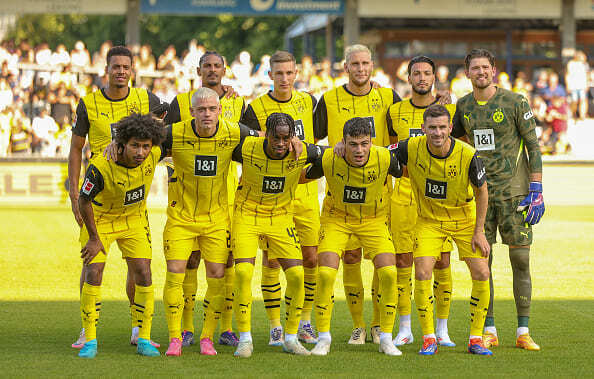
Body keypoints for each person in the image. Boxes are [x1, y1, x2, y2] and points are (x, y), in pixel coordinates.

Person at [68, 45, 166, 349]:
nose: (121, 72)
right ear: (106, 70)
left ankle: (139, 326)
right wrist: (73, 192)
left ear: (132, 70)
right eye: (116, 67)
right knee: (92, 264)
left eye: (126, 67)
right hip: (99, 190)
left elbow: (169, 118)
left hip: (132, 196)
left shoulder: (145, 98)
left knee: (139, 266)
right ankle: (88, 329)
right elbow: (75, 149)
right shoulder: (88, 104)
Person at [452, 48, 544, 351]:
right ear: (467, 74)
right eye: (474, 68)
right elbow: (454, 141)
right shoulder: (463, 106)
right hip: (480, 198)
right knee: (483, 262)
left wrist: (537, 188)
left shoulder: (515, 101)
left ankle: (523, 330)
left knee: (520, 259)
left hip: (515, 194)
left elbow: (533, 144)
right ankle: (488, 328)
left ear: (494, 70)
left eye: (485, 67)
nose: (480, 72)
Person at [160, 87, 259, 357]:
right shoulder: (173, 133)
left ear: (219, 111)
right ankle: (175, 338)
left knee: (217, 278)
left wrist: (298, 145)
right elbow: (142, 142)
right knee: (175, 274)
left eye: (212, 109)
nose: (207, 114)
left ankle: (207, 338)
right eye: (201, 109)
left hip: (217, 220)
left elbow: (265, 141)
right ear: (191, 112)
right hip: (181, 219)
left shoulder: (233, 132)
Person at [314, 44, 400, 345]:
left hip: (378, 196)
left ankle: (378, 324)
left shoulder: (388, 96)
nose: (361, 69)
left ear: (372, 65)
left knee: (380, 261)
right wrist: (331, 149)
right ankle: (358, 326)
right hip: (341, 198)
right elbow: (312, 142)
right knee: (349, 256)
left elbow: (398, 141)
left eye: (365, 63)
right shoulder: (328, 98)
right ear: (346, 67)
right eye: (355, 64)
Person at [395, 104, 492, 356]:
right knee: (423, 270)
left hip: (464, 218)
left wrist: (479, 231)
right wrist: (340, 147)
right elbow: (379, 154)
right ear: (423, 129)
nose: (437, 133)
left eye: (442, 127)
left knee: (482, 271)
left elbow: (482, 191)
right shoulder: (410, 146)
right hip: (429, 220)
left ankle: (476, 339)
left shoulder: (468, 154)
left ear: (450, 128)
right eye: (432, 128)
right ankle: (429, 338)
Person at [240, 50, 320, 346]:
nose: (284, 78)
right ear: (269, 74)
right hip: (271, 198)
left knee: (310, 259)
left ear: (296, 73)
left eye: (289, 72)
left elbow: (318, 144)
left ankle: (304, 321)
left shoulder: (310, 102)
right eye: (279, 73)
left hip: (305, 193)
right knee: (272, 261)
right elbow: (247, 147)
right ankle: (275, 326)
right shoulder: (255, 107)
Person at [164, 51, 244, 348]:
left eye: (217, 65)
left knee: (226, 263)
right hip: (185, 198)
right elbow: (160, 140)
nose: (212, 69)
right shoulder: (181, 103)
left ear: (225, 69)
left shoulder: (238, 101)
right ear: (199, 70)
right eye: (207, 65)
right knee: (189, 261)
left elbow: (254, 142)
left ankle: (224, 327)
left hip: (224, 199)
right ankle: (184, 329)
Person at [305, 117, 402, 357]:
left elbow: (410, 169)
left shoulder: (385, 157)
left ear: (371, 142)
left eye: (364, 143)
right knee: (326, 273)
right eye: (353, 144)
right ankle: (324, 338)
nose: (359, 150)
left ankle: (387, 338)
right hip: (337, 220)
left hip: (374, 221)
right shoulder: (328, 158)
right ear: (343, 143)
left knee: (389, 273)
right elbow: (300, 173)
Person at [231, 112, 321, 358]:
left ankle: (290, 338)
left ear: (292, 137)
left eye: (286, 138)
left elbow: (329, 155)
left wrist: (341, 146)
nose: (281, 144)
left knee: (296, 275)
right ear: (266, 134)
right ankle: (245, 339)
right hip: (247, 215)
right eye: (275, 138)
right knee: (242, 272)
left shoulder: (302, 151)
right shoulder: (246, 147)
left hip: (281, 217)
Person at [76, 113, 165, 358]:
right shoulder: (101, 166)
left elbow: (171, 114)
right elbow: (84, 202)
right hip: (101, 221)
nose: (141, 152)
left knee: (144, 272)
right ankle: (90, 340)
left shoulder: (155, 154)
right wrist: (94, 238)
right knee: (93, 271)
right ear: (122, 143)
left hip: (134, 219)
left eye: (145, 146)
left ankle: (144, 337)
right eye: (135, 145)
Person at [386, 56, 456, 348]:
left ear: (435, 77)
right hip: (402, 196)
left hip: (438, 200)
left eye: (427, 73)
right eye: (417, 73)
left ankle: (442, 329)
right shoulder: (395, 111)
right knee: (403, 260)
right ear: (409, 77)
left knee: (441, 262)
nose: (422, 78)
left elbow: (458, 150)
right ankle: (405, 328)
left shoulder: (451, 110)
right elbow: (390, 152)